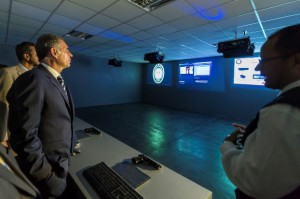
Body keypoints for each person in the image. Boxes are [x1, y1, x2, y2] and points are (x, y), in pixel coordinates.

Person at [221, 23, 300, 198]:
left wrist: (228, 146)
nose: (258, 68)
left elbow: (255, 182)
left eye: (264, 61)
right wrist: (255, 134)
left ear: (296, 60)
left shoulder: (282, 112)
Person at [7, 34, 77, 198]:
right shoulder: (34, 79)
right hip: (47, 174)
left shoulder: (56, 80)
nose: (71, 54)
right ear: (54, 52)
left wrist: (71, 144)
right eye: (67, 50)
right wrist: (47, 177)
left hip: (60, 164)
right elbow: (24, 136)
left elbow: (60, 118)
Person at [0, 42, 39, 148]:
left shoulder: (35, 75)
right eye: (36, 54)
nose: (40, 56)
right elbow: (4, 105)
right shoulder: (8, 72)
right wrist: (3, 138)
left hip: (29, 132)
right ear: (27, 56)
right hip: (13, 135)